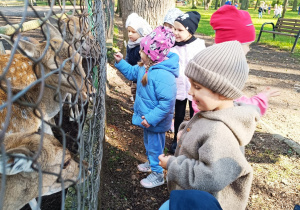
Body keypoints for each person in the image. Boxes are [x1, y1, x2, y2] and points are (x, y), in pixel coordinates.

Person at [158, 41, 261, 210]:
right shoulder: (214, 112)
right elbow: (202, 125)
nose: (190, 91)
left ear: (222, 92)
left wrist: (172, 165)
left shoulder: (220, 132)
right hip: (194, 199)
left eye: (197, 87)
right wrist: (185, 131)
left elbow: (210, 176)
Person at [113, 26, 179, 188]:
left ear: (152, 54)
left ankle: (158, 175)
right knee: (149, 144)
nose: (140, 51)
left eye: (143, 49)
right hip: (147, 119)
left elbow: (167, 103)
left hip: (154, 121)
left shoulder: (164, 75)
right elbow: (131, 73)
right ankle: (152, 163)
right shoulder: (145, 66)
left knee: (155, 147)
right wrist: (120, 62)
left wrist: (151, 118)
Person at [207, 5, 280, 116]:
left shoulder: (210, 61)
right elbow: (237, 106)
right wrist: (261, 99)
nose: (249, 49)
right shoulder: (226, 70)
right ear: (233, 46)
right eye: (247, 45)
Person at [169, 11, 206, 154]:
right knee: (178, 115)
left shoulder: (198, 46)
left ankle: (193, 140)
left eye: (180, 30)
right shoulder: (172, 46)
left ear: (189, 31)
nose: (175, 33)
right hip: (178, 87)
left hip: (194, 88)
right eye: (174, 29)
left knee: (194, 115)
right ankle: (176, 140)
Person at [125, 13, 152, 103]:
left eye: (133, 32)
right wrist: (126, 64)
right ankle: (136, 104)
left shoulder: (143, 45)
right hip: (133, 71)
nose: (130, 34)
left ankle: (139, 105)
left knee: (140, 91)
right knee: (134, 90)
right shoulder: (130, 43)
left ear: (140, 33)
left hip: (142, 73)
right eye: (128, 31)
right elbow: (128, 56)